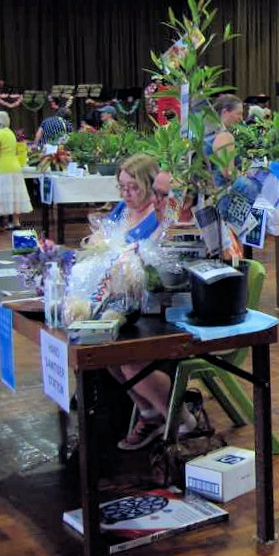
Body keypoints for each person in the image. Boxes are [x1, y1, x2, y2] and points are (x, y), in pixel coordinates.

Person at [103, 154, 199, 450]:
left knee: (131, 361)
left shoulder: (172, 222)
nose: (126, 194)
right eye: (122, 187)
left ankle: (181, 418)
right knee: (106, 354)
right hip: (130, 301)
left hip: (165, 309)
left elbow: (172, 274)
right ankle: (149, 413)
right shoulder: (125, 211)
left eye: (133, 187)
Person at [205, 94, 244, 182]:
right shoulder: (224, 136)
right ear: (225, 112)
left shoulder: (207, 133)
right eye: (239, 113)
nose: (241, 118)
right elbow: (228, 172)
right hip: (222, 191)